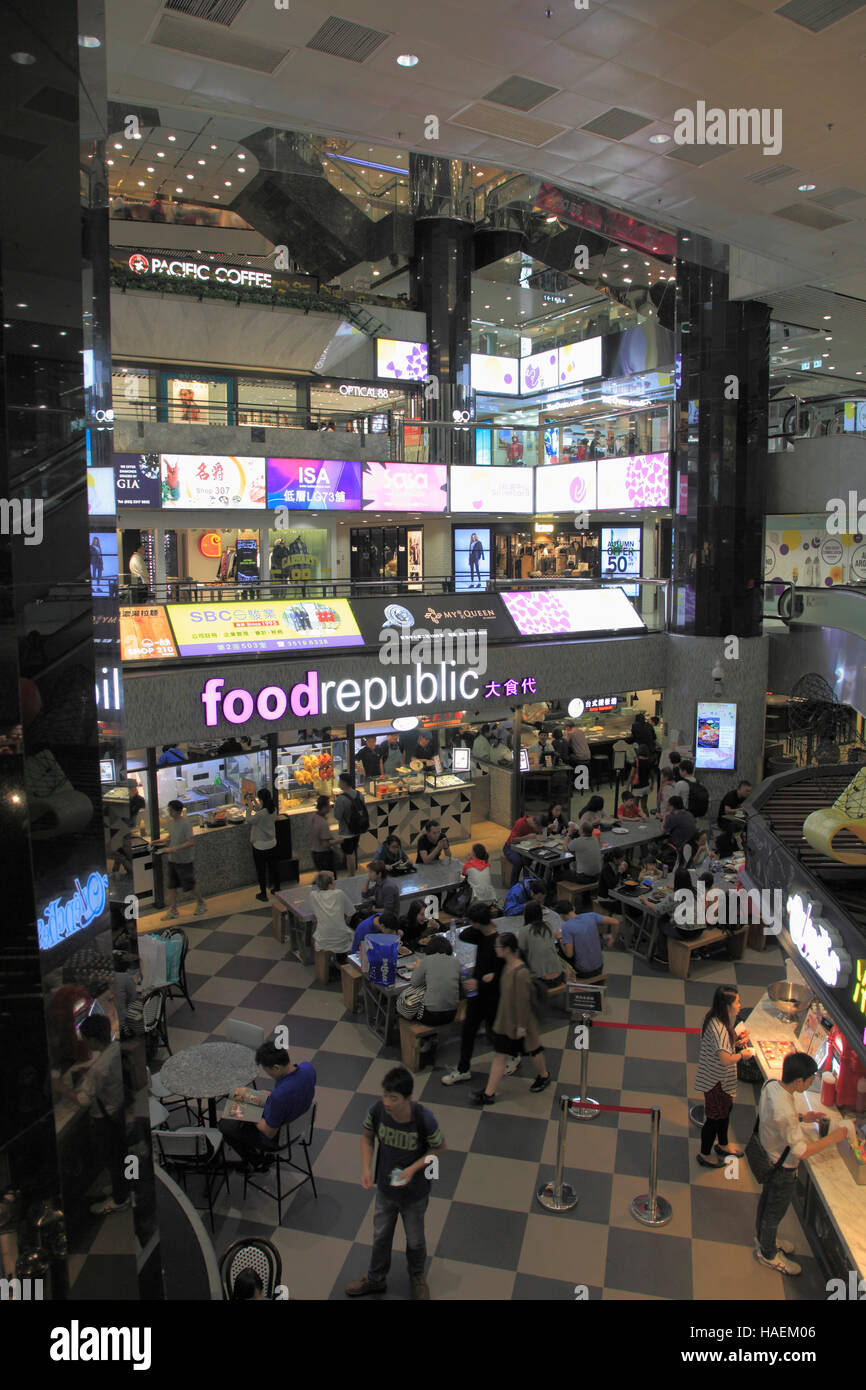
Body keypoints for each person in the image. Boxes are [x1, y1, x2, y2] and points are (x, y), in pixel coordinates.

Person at [346, 1066, 445, 1300]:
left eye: (394, 1098)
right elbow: (367, 1137)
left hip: (415, 1194)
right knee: (380, 1235)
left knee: (415, 1238)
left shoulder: (423, 1117)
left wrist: (412, 1170)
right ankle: (375, 1279)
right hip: (386, 1190)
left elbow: (439, 1148)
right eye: (385, 1095)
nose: (387, 1102)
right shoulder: (377, 1111)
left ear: (407, 1099)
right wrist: (366, 1167)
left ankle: (417, 1277)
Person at [754, 1052, 848, 1275]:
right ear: (799, 1081)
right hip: (781, 1169)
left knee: (766, 1205)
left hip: (767, 1155)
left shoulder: (772, 1085)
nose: (811, 1081)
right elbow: (802, 1150)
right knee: (774, 1213)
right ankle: (768, 1254)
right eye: (810, 1078)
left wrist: (804, 1118)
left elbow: (775, 1116)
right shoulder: (786, 1112)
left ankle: (765, 1240)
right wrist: (832, 1138)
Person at [56, 1014, 128, 1215]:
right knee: (121, 1156)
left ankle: (120, 1198)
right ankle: (123, 1186)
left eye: (85, 1038)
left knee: (112, 1159)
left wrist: (60, 1088)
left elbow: (84, 1099)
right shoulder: (115, 1048)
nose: (84, 1042)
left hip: (105, 1120)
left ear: (94, 1040)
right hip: (119, 1111)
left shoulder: (98, 1069)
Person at [469, 934, 550, 1104]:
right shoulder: (507, 966)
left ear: (506, 950)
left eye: (498, 947)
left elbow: (522, 1002)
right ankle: (489, 1093)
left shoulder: (520, 973)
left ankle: (544, 1075)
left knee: (533, 1050)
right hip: (506, 1021)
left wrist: (521, 1026)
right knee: (501, 1054)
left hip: (520, 1023)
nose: (495, 949)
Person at [219, 1041, 316, 1170]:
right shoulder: (308, 1068)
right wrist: (269, 1095)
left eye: (268, 1071)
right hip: (297, 1122)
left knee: (225, 1125)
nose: (269, 1075)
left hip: (278, 1139)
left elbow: (269, 1133)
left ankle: (257, 1161)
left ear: (276, 1067)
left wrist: (251, 1113)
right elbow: (298, 1089)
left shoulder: (279, 1097)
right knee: (241, 1096)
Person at [441, 904, 505, 1086]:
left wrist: (481, 982)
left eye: (471, 921)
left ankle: (513, 1056)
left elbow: (501, 976)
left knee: (497, 1033)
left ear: (477, 922)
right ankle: (463, 1069)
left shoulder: (497, 943)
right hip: (477, 997)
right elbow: (463, 935)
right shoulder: (481, 935)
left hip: (492, 997)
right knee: (468, 1031)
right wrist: (480, 925)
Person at [694, 987, 756, 1169]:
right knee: (714, 1119)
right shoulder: (719, 1028)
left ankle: (723, 1144)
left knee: (724, 1114)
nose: (740, 1005)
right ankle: (705, 1154)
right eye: (737, 1002)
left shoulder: (714, 1018)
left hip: (719, 1079)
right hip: (717, 1081)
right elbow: (725, 1059)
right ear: (727, 1006)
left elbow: (720, 1048)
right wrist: (742, 1055)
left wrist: (735, 1041)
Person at [154, 800, 207, 920]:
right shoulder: (171, 823)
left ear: (178, 811)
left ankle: (201, 903)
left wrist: (174, 848)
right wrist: (160, 841)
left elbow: (191, 841)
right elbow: (171, 837)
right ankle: (173, 910)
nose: (169, 812)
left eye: (171, 810)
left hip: (185, 860)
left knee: (190, 885)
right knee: (171, 886)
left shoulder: (186, 824)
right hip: (173, 860)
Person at [406, 934, 462, 1025]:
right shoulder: (456, 961)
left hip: (431, 1016)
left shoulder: (426, 960)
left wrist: (418, 967)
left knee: (407, 1009)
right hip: (452, 1014)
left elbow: (414, 982)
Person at [558, 900, 619, 971]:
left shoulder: (566, 926)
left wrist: (560, 938)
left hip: (584, 970)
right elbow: (616, 922)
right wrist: (612, 937)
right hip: (599, 966)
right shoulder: (591, 915)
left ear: (561, 915)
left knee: (560, 952)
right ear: (574, 908)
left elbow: (569, 954)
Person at [244, 786, 280, 902]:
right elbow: (261, 809)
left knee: (261, 871)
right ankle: (277, 888)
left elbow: (249, 820)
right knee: (273, 868)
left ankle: (263, 894)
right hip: (272, 844)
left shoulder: (261, 814)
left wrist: (249, 807)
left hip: (260, 846)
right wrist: (254, 800)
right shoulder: (273, 809)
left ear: (262, 799)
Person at [518, 902, 565, 986]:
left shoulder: (524, 931)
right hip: (559, 975)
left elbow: (520, 951)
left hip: (541, 980)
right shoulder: (548, 925)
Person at [309, 871, 354, 955]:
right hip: (341, 940)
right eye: (333, 880)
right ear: (330, 885)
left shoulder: (313, 895)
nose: (335, 882)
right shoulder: (339, 893)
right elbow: (350, 913)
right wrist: (345, 923)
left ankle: (321, 960)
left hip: (322, 940)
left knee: (315, 930)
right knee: (353, 934)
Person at [334, 771, 366, 875]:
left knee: (349, 854)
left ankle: (351, 875)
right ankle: (352, 873)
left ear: (343, 783)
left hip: (346, 831)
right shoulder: (359, 794)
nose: (339, 783)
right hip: (358, 828)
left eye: (340, 781)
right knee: (353, 850)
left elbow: (337, 816)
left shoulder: (341, 799)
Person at [503, 811, 539, 886]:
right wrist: (527, 837)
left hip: (523, 848)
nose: (537, 830)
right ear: (534, 824)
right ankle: (513, 885)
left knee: (528, 861)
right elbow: (512, 840)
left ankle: (528, 883)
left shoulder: (535, 821)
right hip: (510, 847)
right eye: (537, 828)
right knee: (518, 863)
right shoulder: (520, 823)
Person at [310, 794, 337, 873]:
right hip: (323, 855)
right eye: (329, 805)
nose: (330, 807)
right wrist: (339, 841)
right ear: (324, 807)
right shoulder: (323, 823)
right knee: (328, 877)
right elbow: (325, 844)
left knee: (322, 875)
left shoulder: (314, 817)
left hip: (315, 852)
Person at [629, 743, 654, 813]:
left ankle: (636, 821)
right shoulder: (649, 761)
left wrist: (628, 785)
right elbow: (652, 775)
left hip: (637, 787)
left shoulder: (636, 762)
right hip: (646, 786)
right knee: (644, 806)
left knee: (635, 806)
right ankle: (647, 819)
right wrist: (652, 784)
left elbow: (631, 775)